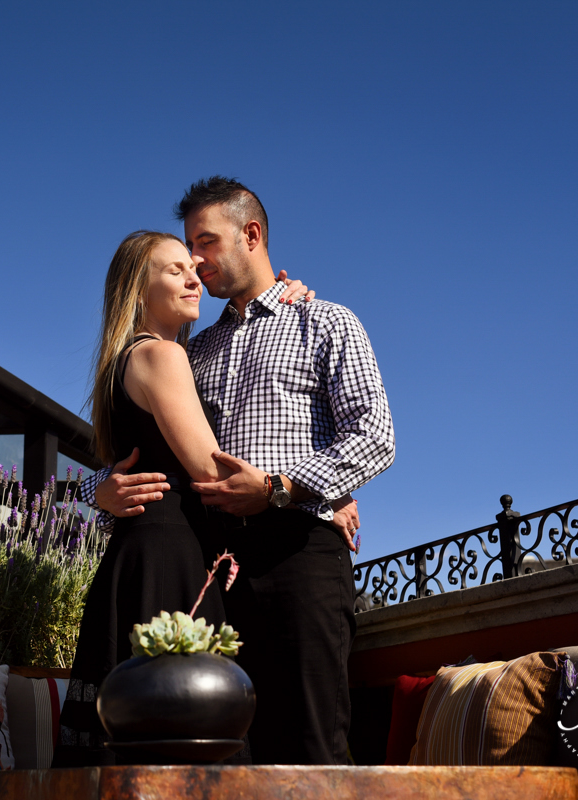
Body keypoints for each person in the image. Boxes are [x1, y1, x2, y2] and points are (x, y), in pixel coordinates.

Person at [84, 177, 395, 766]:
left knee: (309, 745)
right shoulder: (191, 351)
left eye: (205, 242)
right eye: (185, 250)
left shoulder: (325, 321)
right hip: (214, 571)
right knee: (224, 753)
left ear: (251, 234)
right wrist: (94, 492)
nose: (196, 262)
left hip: (299, 557)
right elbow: (141, 449)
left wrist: (286, 487)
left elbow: (374, 437)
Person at [57, 230, 311, 764]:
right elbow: (209, 471)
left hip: (138, 554)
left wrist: (95, 492)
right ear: (137, 288)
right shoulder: (163, 357)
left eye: (193, 267)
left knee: (133, 734)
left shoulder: (125, 362)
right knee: (186, 736)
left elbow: (127, 463)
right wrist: (313, 491)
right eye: (175, 269)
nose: (193, 277)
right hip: (170, 556)